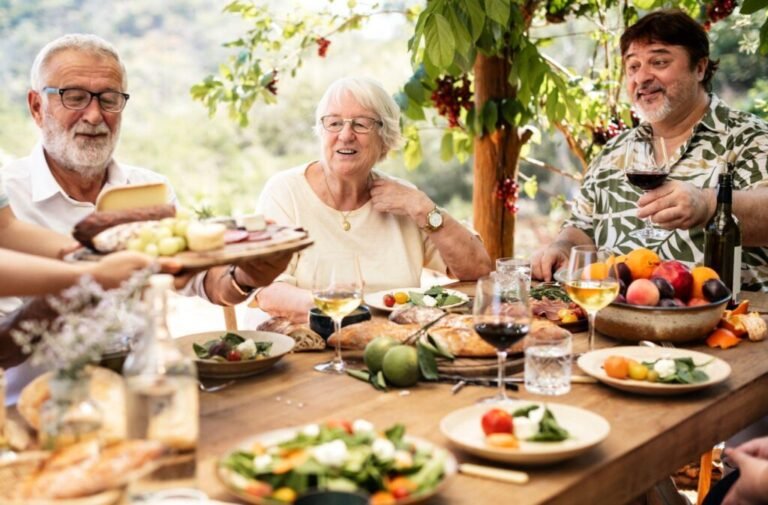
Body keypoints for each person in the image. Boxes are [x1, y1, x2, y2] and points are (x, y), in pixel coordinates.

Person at [1, 33, 294, 309]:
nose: (93, 115)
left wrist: (245, 279)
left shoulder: (152, 188)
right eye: (75, 97)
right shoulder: (12, 193)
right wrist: (96, 274)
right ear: (37, 107)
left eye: (108, 99)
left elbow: (202, 279)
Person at [531, 9, 768, 291]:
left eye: (659, 61)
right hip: (616, 318)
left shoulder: (750, 136)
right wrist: (563, 246)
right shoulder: (615, 151)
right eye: (633, 67)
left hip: (723, 324)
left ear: (700, 68)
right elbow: (582, 228)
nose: (642, 77)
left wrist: (708, 205)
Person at [253, 76, 492, 322]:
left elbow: (478, 268)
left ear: (385, 137)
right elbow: (269, 292)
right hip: (313, 347)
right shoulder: (286, 192)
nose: (345, 135)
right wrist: (349, 312)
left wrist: (422, 208)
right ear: (321, 132)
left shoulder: (404, 198)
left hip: (394, 345)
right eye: (334, 123)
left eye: (361, 124)